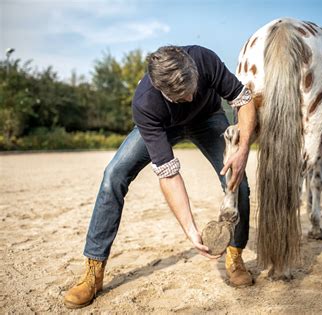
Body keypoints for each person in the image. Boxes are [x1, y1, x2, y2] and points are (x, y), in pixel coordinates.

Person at [63, 45, 256, 309]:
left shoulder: (205, 60)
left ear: (193, 68)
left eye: (192, 89)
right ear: (160, 88)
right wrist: (189, 229)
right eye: (179, 97)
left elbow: (244, 101)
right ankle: (93, 270)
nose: (189, 98)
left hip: (208, 118)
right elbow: (168, 173)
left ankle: (235, 255)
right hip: (164, 125)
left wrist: (242, 150)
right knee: (113, 176)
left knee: (239, 182)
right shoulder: (146, 104)